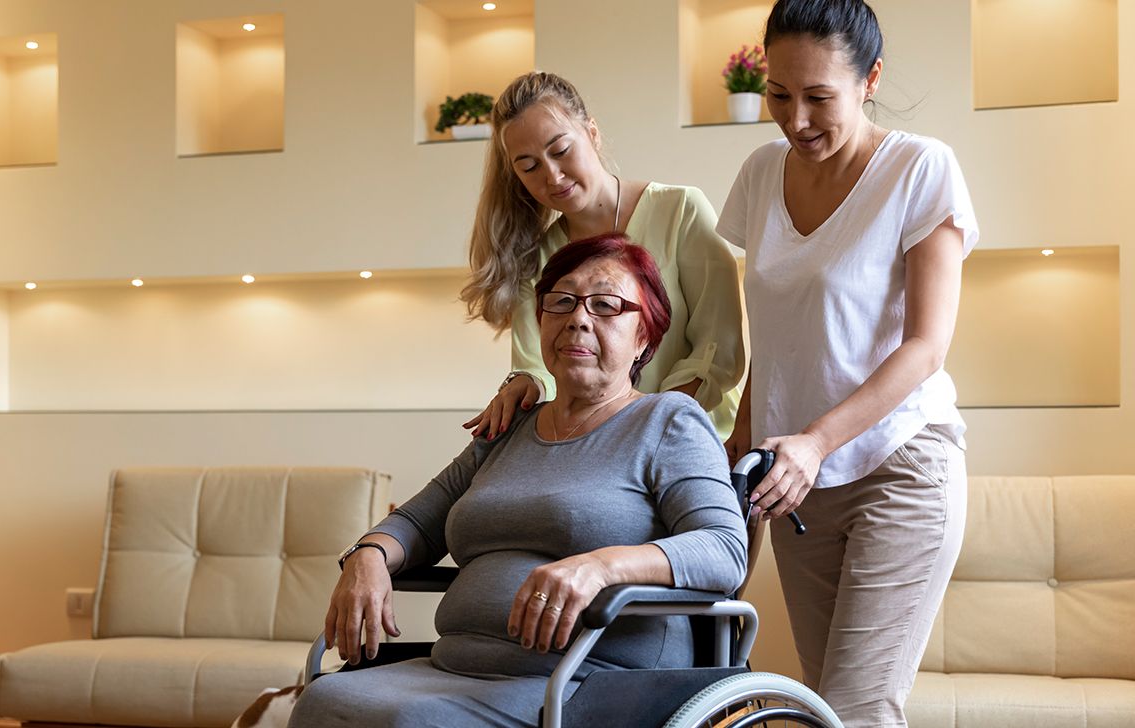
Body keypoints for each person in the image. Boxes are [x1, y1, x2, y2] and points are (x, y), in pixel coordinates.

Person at [287, 235, 746, 727]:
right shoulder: (510, 427)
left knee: (412, 722)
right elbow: (419, 523)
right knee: (323, 699)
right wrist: (368, 556)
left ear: (645, 338)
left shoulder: (667, 420)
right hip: (453, 669)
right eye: (561, 301)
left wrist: (600, 567)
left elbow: (724, 548)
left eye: (606, 304)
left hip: (588, 680)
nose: (578, 318)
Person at [716, 0, 978, 724]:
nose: (795, 120)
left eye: (818, 98)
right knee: (819, 707)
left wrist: (817, 440)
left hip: (899, 467)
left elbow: (926, 346)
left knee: (857, 710)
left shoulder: (920, 169)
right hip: (798, 483)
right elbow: (775, 333)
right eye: (778, 94)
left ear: (870, 80)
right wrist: (745, 440)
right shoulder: (761, 173)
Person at [460, 71, 745, 443]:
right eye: (529, 167)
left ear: (592, 133)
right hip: (595, 449)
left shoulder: (680, 210)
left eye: (560, 151)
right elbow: (537, 366)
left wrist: (645, 425)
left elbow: (718, 346)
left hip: (689, 438)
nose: (553, 176)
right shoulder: (539, 254)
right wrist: (523, 383)